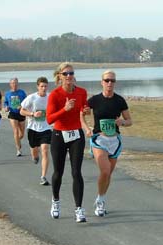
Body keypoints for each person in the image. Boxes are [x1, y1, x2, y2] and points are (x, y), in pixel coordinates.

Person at [46, 62, 89, 223]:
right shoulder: (55, 95)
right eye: (66, 74)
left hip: (76, 134)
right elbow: (49, 119)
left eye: (71, 73)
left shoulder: (82, 92)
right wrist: (64, 109)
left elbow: (84, 109)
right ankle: (55, 201)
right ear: (59, 76)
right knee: (59, 172)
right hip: (59, 135)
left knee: (76, 172)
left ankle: (79, 209)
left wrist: (86, 111)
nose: (69, 76)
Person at [86, 70, 132, 217]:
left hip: (114, 141)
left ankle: (101, 198)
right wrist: (86, 128)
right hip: (99, 139)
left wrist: (122, 122)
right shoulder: (94, 100)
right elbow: (81, 114)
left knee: (108, 174)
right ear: (102, 82)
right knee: (105, 171)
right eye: (107, 80)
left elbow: (130, 121)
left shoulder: (119, 100)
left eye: (112, 81)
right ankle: (100, 202)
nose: (109, 83)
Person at [20, 77, 52, 186]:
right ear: (37, 87)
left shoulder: (50, 97)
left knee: (45, 150)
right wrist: (33, 114)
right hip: (33, 128)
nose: (43, 88)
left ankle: (43, 177)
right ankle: (34, 156)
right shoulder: (31, 98)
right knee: (34, 150)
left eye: (45, 86)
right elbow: (21, 111)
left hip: (46, 127)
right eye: (41, 86)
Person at [4, 78, 27, 157]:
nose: (14, 84)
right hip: (12, 114)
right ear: (10, 84)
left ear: (18, 84)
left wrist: (21, 106)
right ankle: (18, 150)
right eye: (13, 83)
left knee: (22, 134)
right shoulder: (7, 93)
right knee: (16, 131)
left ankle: (17, 141)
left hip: (21, 113)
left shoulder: (22, 92)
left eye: (16, 83)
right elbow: (6, 102)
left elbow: (26, 102)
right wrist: (6, 107)